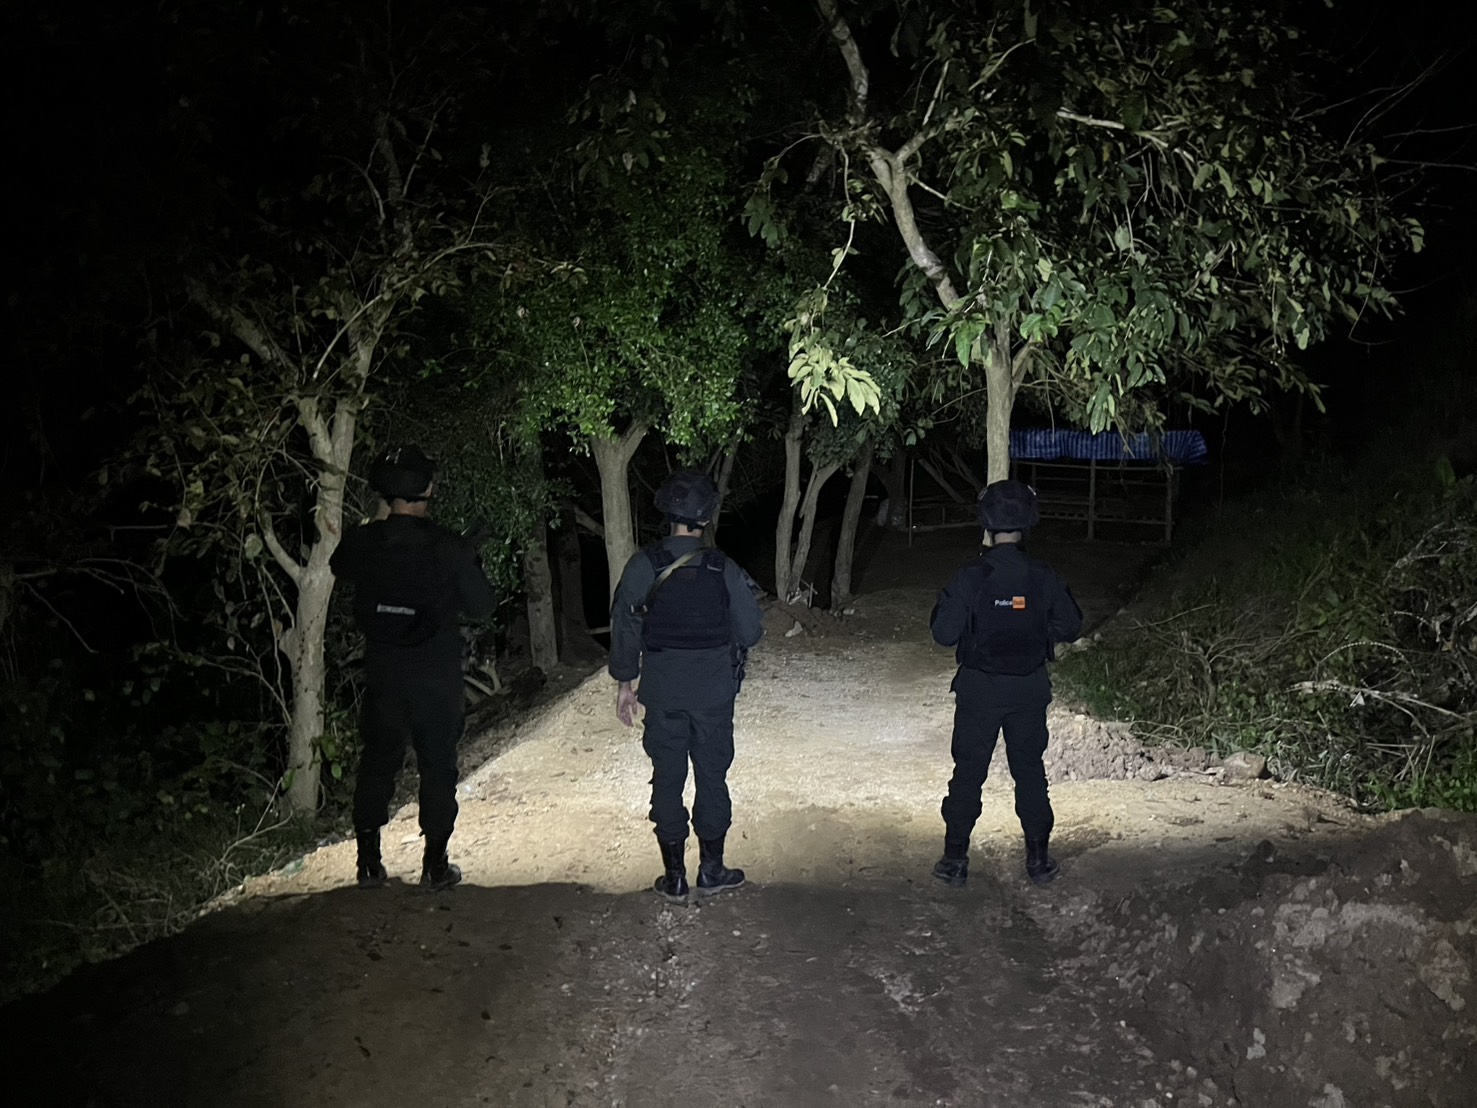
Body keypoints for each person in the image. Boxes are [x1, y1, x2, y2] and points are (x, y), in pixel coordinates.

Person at [330, 444, 495, 890]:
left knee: (377, 760)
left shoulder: (365, 542)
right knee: (437, 765)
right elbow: (482, 606)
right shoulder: (448, 546)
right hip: (435, 674)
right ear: (429, 489)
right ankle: (435, 866)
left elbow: (339, 563)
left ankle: (368, 863)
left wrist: (379, 525)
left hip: (383, 670)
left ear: (384, 494)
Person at [609, 470, 764, 902]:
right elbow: (751, 632)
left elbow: (625, 626)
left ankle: (674, 876)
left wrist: (625, 684)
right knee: (712, 777)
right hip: (713, 695)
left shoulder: (643, 565)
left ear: (669, 515)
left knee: (667, 778)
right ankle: (711, 870)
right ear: (705, 518)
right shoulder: (723, 568)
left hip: (663, 695)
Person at [928, 479, 1083, 888]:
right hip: (1028, 690)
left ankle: (955, 860)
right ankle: (1039, 861)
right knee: (1030, 772)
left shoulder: (970, 576)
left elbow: (943, 634)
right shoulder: (1042, 575)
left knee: (968, 773)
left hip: (979, 691)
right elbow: (1071, 625)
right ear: (1028, 522)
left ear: (987, 523)